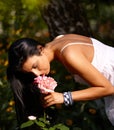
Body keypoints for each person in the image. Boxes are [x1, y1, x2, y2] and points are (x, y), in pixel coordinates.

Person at [7, 34, 114, 127]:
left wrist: (64, 97)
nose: (37, 74)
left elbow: (108, 88)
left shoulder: (69, 54)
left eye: (35, 66)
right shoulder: (60, 39)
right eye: (31, 72)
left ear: (40, 49)